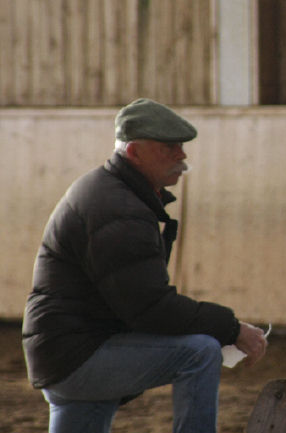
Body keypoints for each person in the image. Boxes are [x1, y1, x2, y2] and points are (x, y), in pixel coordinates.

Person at [22, 98, 268, 433]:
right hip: (80, 354)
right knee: (200, 352)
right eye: (169, 148)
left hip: (64, 351)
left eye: (180, 147)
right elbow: (151, 308)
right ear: (135, 152)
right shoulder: (118, 209)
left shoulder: (111, 194)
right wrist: (231, 328)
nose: (181, 156)